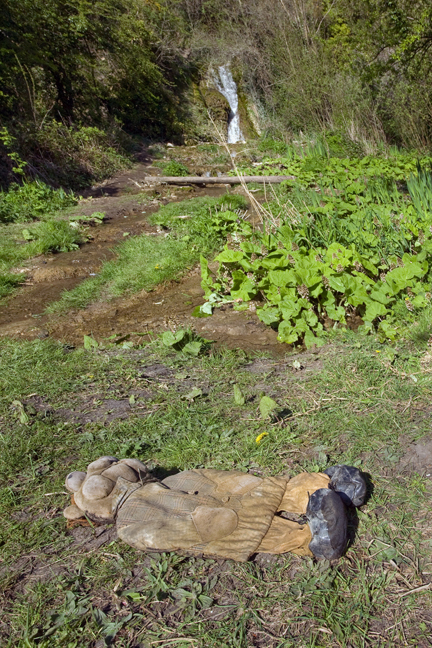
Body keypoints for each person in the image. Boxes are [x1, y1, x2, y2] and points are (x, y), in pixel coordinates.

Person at [63, 457, 366, 561]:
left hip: (169, 486)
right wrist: (198, 525)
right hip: (176, 514)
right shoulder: (129, 523)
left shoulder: (171, 478)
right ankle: (314, 538)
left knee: (240, 486)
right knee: (233, 524)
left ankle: (320, 487)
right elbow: (166, 535)